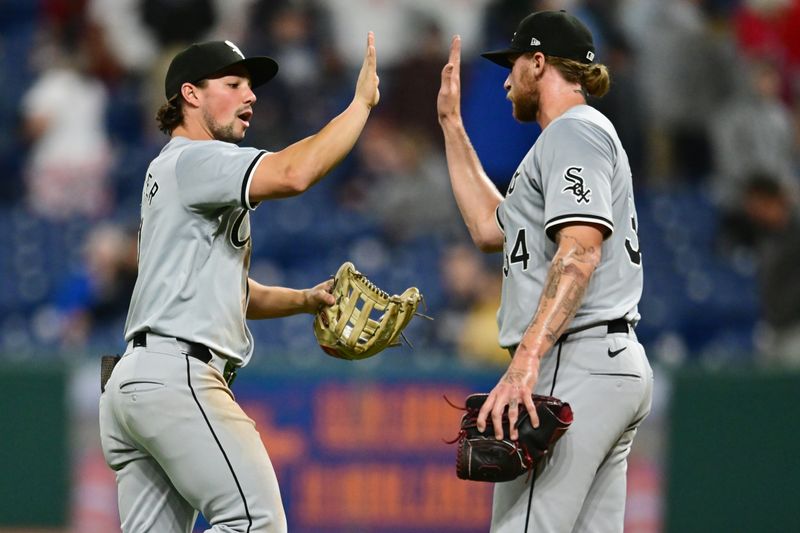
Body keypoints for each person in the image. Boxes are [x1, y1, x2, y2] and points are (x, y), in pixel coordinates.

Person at [99, 34, 379, 533]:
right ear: (191, 94)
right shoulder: (196, 159)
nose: (250, 96)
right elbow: (295, 173)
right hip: (177, 378)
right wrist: (359, 106)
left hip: (136, 382)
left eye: (251, 86)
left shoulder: (169, 170)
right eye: (233, 83)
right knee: (256, 523)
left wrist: (305, 300)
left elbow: (228, 292)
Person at [437, 11, 653, 532]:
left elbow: (579, 253)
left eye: (513, 65)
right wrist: (451, 126)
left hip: (574, 359)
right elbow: (493, 230)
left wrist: (526, 362)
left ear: (539, 62)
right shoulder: (566, 141)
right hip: (607, 362)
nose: (506, 80)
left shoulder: (572, 133)